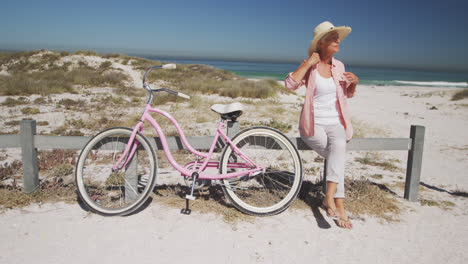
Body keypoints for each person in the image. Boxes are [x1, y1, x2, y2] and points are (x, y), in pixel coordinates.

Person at [284, 21, 359, 229]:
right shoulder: (310, 65)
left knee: (338, 150)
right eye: (333, 37)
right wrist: (308, 63)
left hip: (336, 122)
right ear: (321, 43)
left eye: (338, 37)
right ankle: (336, 204)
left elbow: (345, 95)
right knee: (338, 155)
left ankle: (332, 200)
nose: (338, 40)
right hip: (313, 123)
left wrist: (354, 82)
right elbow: (289, 84)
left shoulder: (340, 66)